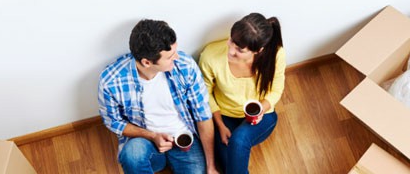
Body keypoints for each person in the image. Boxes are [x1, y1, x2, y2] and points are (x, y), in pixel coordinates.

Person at [98, 19, 219, 174]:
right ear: (147, 62)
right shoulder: (110, 81)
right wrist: (152, 136)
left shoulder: (185, 65)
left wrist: (211, 167)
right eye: (169, 57)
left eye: (175, 51)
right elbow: (113, 122)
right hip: (147, 142)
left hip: (185, 139)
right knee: (132, 154)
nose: (177, 58)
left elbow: (203, 114)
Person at [199, 13, 286, 173]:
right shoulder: (210, 56)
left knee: (239, 141)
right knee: (231, 166)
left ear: (258, 51)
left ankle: (241, 142)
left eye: (239, 50)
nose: (230, 51)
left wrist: (262, 109)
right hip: (224, 117)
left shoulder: (275, 54)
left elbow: (276, 89)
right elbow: (205, 95)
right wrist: (220, 125)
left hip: (261, 115)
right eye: (231, 41)